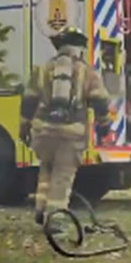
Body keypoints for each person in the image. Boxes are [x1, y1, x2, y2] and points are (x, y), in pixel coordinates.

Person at [19, 27, 111, 225]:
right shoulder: (88, 72)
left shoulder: (42, 70)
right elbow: (100, 101)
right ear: (79, 48)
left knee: (46, 168)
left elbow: (28, 100)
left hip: (43, 132)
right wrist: (104, 125)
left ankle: (40, 208)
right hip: (71, 134)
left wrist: (24, 125)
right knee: (62, 177)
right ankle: (56, 221)